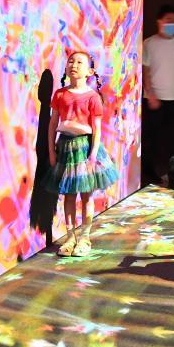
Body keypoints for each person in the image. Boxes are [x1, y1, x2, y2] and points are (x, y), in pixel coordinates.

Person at [44, 51, 119, 256]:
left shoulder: (93, 97)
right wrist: (51, 150)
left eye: (79, 62)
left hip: (85, 149)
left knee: (86, 196)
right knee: (69, 195)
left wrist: (93, 155)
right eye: (71, 61)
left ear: (89, 71)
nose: (74, 65)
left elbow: (96, 129)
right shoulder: (60, 94)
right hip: (66, 149)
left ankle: (85, 238)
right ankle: (70, 238)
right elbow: (53, 124)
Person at [142, 4, 174, 191]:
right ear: (159, 21)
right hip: (154, 100)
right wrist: (151, 94)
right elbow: (145, 71)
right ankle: (149, 173)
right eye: (168, 20)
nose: (172, 24)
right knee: (151, 140)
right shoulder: (149, 43)